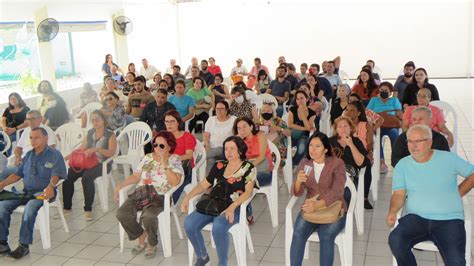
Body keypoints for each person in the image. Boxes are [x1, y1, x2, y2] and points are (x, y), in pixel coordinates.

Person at [387, 124, 474, 266]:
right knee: (395, 240)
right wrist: (392, 211)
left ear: (429, 142)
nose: (413, 145)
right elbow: (398, 194)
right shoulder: (402, 165)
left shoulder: (448, 159)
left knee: (456, 262)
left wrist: (459, 191)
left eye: (418, 141)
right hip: (416, 218)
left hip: (449, 219)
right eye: (410, 141)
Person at [181, 136, 256, 266]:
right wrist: (187, 197)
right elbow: (204, 184)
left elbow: (248, 192)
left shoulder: (248, 167)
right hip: (215, 203)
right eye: (226, 148)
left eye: (232, 148)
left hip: (235, 206)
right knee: (189, 223)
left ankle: (222, 263)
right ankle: (202, 256)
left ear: (240, 150)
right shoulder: (219, 165)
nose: (229, 152)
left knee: (219, 226)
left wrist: (232, 207)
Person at [115, 131, 183, 259]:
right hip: (141, 193)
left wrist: (164, 164)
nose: (157, 148)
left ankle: (151, 244)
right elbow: (136, 176)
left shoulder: (175, 159)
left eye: (161, 146)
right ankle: (141, 235)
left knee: (148, 216)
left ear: (169, 146)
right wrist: (121, 184)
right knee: (122, 213)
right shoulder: (147, 157)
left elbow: (175, 182)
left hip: (160, 196)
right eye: (155, 144)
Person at [0, 127, 67, 259]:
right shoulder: (29, 155)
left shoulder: (54, 154)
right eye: (31, 138)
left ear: (46, 138)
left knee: (30, 207)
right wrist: (2, 184)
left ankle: (24, 246)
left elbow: (57, 175)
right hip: (26, 192)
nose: (33, 140)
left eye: (37, 137)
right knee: (2, 206)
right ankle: (2, 243)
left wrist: (50, 186)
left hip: (44, 192)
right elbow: (17, 175)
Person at [290, 132, 348, 266]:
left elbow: (338, 191)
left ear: (325, 149)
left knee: (326, 235)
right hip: (311, 209)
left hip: (333, 208)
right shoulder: (305, 163)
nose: (312, 149)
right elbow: (296, 193)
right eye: (310, 145)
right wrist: (298, 182)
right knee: (298, 233)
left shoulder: (336, 163)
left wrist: (318, 204)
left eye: (317, 146)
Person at [62, 110, 117, 221]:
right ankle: (67, 207)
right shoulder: (91, 132)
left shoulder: (110, 135)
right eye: (92, 120)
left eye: (97, 119)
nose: (94, 122)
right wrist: (67, 157)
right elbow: (82, 148)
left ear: (103, 120)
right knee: (68, 176)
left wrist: (96, 149)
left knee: (87, 177)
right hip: (87, 162)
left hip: (102, 164)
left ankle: (88, 209)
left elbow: (111, 153)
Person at [1, 110, 56, 180]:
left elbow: (51, 151)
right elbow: (18, 148)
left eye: (33, 118)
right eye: (28, 119)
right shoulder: (26, 130)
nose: (30, 121)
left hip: (38, 165)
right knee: (4, 172)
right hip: (24, 162)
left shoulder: (47, 131)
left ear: (40, 119)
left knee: (10, 172)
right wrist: (18, 158)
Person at [343, 102, 374, 209]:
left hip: (361, 153)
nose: (348, 113)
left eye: (352, 111)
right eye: (347, 110)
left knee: (367, 165)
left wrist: (370, 153)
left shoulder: (365, 125)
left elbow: (369, 143)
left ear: (359, 113)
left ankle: (364, 197)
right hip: (346, 153)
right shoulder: (343, 124)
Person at [366, 81, 402, 173]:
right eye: (381, 90)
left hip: (391, 124)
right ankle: (382, 162)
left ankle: (396, 161)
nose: (383, 92)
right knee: (376, 139)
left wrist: (403, 121)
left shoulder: (394, 100)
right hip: (377, 124)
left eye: (386, 90)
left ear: (390, 92)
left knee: (395, 135)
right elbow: (367, 111)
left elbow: (398, 112)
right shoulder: (374, 100)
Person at [164, 110, 196, 204]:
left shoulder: (187, 136)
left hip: (184, 167)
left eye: (172, 121)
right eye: (167, 122)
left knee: (177, 181)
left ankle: (169, 202)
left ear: (178, 122)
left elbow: (189, 155)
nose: (169, 124)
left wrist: (173, 159)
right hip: (166, 165)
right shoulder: (163, 136)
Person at [203, 101, 236, 171]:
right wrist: (207, 144)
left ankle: (199, 157)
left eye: (221, 109)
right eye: (217, 109)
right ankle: (210, 181)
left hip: (227, 150)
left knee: (219, 149)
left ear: (227, 110)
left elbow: (237, 134)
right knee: (210, 160)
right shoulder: (211, 119)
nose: (219, 111)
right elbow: (206, 134)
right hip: (211, 149)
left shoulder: (233, 120)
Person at [288, 90, 317, 166]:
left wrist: (303, 115)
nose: (299, 101)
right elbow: (290, 124)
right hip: (293, 133)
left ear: (307, 99)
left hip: (304, 136)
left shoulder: (312, 113)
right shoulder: (292, 109)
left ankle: (293, 164)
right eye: (297, 99)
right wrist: (305, 128)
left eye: (301, 98)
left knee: (302, 148)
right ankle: (285, 162)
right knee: (283, 146)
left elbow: (309, 128)